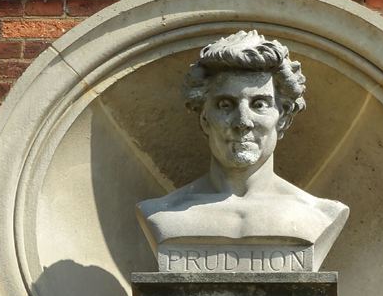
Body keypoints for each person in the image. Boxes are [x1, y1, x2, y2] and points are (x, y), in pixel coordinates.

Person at [137, 30, 349, 272]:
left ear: (284, 119)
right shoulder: (160, 214)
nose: (243, 121)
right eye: (225, 105)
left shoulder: (321, 215)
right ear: (204, 118)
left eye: (259, 104)